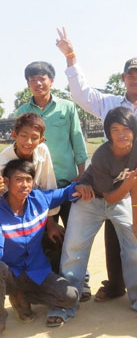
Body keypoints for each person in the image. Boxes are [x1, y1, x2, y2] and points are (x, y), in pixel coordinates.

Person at [55, 27, 137, 301]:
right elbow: (82, 93)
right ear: (123, 78)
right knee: (114, 232)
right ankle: (116, 283)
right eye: (130, 75)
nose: (135, 79)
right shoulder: (109, 103)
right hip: (115, 181)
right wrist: (71, 57)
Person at [47, 107, 137, 326]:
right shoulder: (101, 154)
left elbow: (136, 186)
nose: (121, 134)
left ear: (134, 130)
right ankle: (66, 302)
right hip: (92, 199)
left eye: (126, 129)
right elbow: (109, 197)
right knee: (74, 249)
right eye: (114, 129)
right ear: (108, 133)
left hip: (123, 197)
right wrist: (127, 185)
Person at [13, 60, 90, 299]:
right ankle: (52, 282)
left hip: (67, 182)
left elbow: (77, 141)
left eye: (42, 78)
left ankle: (82, 281)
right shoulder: (23, 112)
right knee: (45, 234)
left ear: (51, 81)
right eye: (32, 79)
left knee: (76, 233)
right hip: (38, 187)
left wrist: (82, 174)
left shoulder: (66, 107)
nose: (38, 83)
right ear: (28, 84)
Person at [0, 159, 90, 334]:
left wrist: (77, 187)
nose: (24, 185)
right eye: (19, 180)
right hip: (9, 274)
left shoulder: (39, 199)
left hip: (37, 272)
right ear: (6, 182)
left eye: (28, 180)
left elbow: (64, 193)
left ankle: (23, 296)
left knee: (70, 297)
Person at [0, 113, 63, 271]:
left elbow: (49, 186)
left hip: (37, 211)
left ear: (41, 139)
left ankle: (50, 282)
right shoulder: (2, 161)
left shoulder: (42, 151)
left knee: (56, 240)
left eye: (34, 137)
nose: (28, 142)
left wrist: (51, 223)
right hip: (10, 218)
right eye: (23, 136)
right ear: (14, 135)